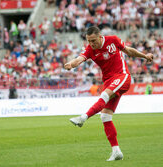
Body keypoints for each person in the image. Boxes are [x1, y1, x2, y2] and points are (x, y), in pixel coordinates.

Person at [64, 26, 153, 161]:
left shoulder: (113, 40)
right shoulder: (89, 49)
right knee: (105, 117)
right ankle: (116, 151)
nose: (91, 44)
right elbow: (79, 59)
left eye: (93, 40)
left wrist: (145, 56)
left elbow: (129, 51)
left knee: (104, 95)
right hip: (109, 81)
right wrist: (71, 64)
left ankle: (83, 117)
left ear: (100, 37)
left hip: (122, 76)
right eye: (89, 41)